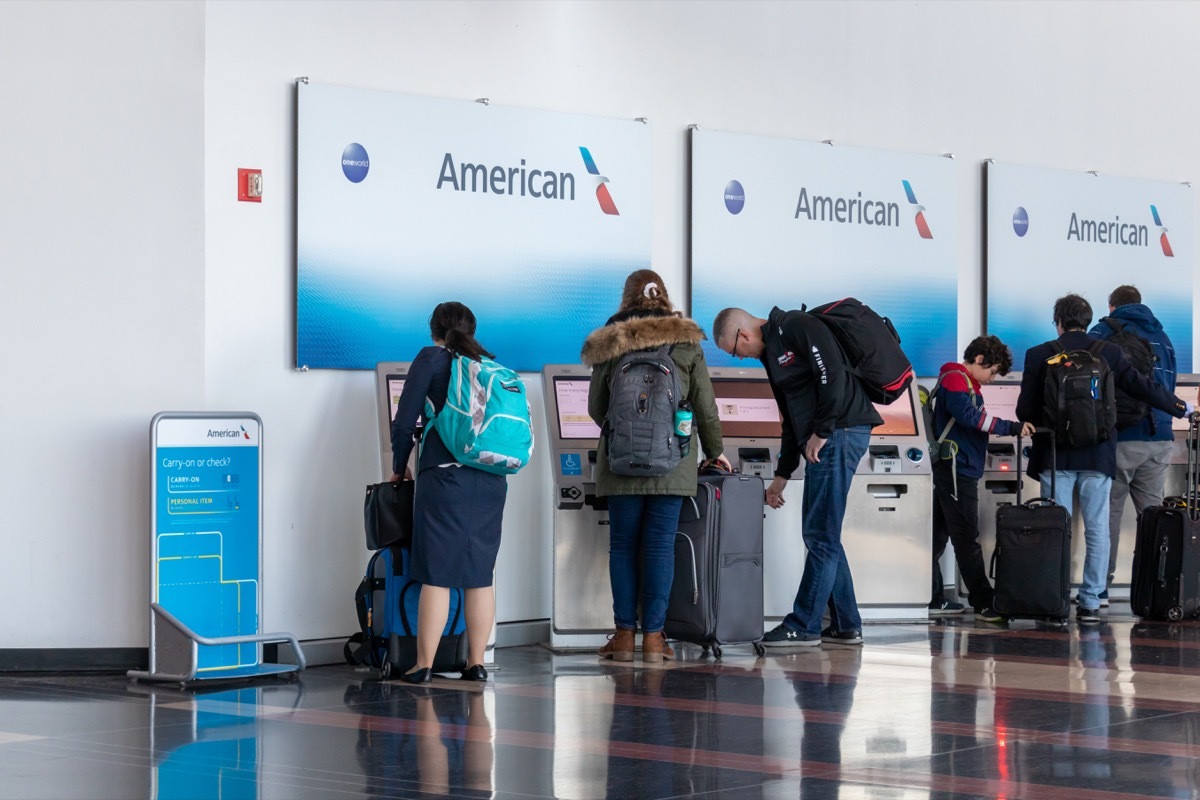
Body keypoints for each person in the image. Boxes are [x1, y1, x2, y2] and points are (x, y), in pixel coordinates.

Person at [1015, 293, 1194, 624]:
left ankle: (1054, 596)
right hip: (1098, 453)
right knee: (1098, 527)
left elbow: (1024, 410)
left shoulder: (1039, 355)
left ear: (1058, 322)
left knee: (1057, 528)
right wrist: (1182, 408)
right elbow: (1142, 387)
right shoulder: (1108, 352)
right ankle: (1091, 599)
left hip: (1057, 456)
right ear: (1087, 320)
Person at [581, 270, 730, 663]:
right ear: (664, 296)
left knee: (623, 547)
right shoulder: (686, 340)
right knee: (660, 547)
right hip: (673, 463)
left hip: (620, 463)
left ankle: (624, 636)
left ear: (625, 298)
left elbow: (597, 407)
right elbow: (705, 406)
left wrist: (627, 434)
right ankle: (654, 639)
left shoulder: (611, 341)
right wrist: (714, 451)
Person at [712, 305, 882, 647]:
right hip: (827, 435)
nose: (739, 358)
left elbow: (832, 373)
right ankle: (846, 624)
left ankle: (803, 625)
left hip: (842, 431)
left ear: (743, 334)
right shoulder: (772, 355)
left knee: (819, 533)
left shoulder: (797, 326)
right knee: (825, 532)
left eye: (734, 351)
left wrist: (823, 430)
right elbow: (790, 418)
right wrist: (781, 475)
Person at [388, 302, 507, 683]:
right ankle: (476, 663)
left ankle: (423, 665)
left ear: (433, 329)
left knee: (436, 575)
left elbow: (405, 420)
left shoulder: (431, 359)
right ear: (471, 330)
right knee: (480, 575)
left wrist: (398, 466)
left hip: (444, 478)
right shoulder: (487, 364)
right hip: (490, 479)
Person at [926, 335, 1034, 621]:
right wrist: (1012, 427)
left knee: (936, 538)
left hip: (957, 469)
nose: (992, 378)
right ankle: (984, 603)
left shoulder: (964, 381)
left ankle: (932, 597)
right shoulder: (955, 378)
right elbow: (970, 417)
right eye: (992, 371)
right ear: (978, 360)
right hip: (956, 470)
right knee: (966, 539)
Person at [1088, 285, 1180, 605]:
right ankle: (1157, 588)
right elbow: (1167, 386)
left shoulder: (1103, 331)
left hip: (1121, 437)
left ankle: (1100, 587)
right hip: (1161, 438)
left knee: (1108, 514)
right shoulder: (1163, 336)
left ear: (1112, 306)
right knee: (1153, 516)